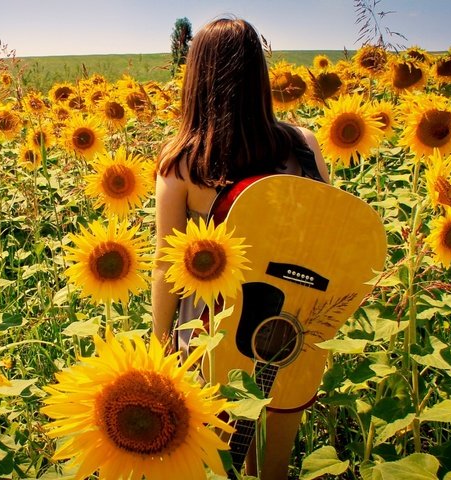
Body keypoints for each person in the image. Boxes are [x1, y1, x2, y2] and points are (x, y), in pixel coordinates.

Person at [151, 17, 330, 480]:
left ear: (196, 78)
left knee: (217, 463)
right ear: (259, 75)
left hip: (214, 333)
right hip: (294, 326)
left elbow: (165, 264)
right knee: (273, 465)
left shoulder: (182, 163)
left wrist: (160, 341)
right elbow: (333, 235)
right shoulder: (303, 146)